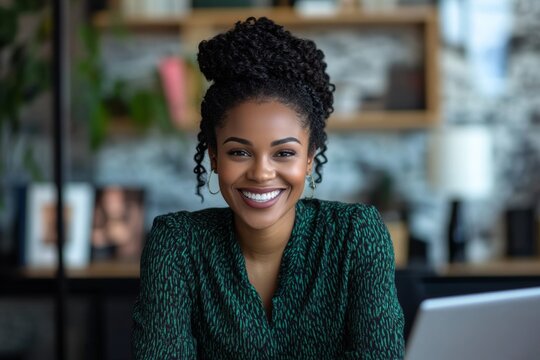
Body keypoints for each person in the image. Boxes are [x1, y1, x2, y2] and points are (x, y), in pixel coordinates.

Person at [132, 16, 405, 359]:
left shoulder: (356, 236)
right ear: (214, 157)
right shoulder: (177, 245)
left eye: (284, 153)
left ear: (309, 158)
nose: (261, 173)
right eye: (239, 152)